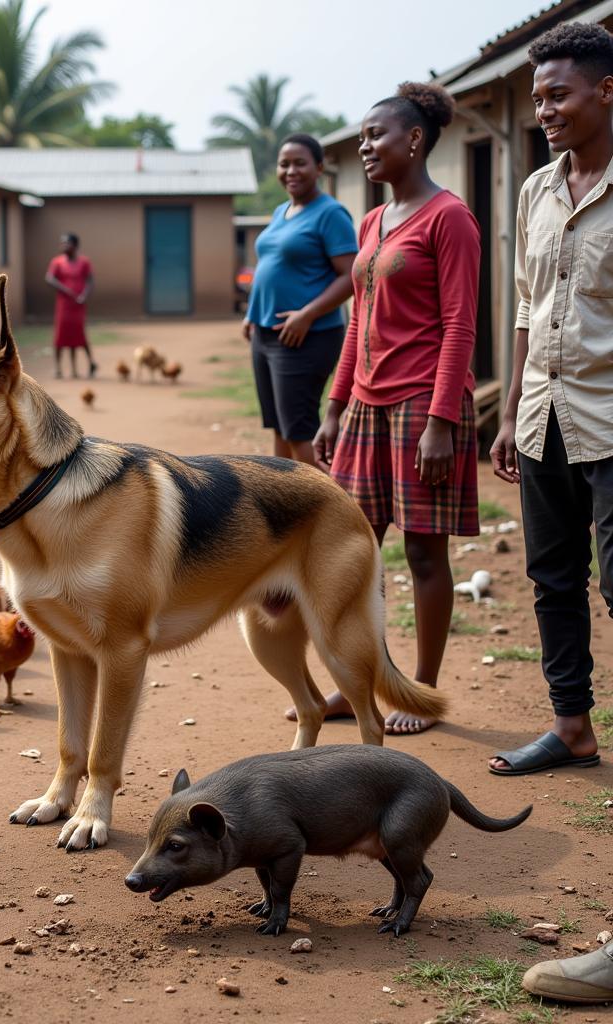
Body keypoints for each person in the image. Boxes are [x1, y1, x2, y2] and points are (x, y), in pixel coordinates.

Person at [297, 82, 481, 736]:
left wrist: (441, 422)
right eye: (363, 137)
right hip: (367, 408)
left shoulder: (449, 217)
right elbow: (357, 324)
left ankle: (420, 692)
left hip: (422, 405)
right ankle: (363, 681)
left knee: (425, 557)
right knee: (354, 551)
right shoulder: (372, 221)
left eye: (376, 135)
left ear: (414, 140)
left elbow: (462, 324)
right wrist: (335, 405)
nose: (366, 147)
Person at [488, 22, 613, 777]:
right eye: (538, 98)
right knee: (553, 576)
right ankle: (571, 726)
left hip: (611, 417)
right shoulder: (536, 188)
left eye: (558, 94)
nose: (545, 110)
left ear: (606, 91)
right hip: (542, 414)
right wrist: (507, 413)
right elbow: (528, 308)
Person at [242, 134, 357, 465]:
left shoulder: (331, 213)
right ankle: (284, 506)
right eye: (284, 163)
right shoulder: (282, 211)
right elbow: (271, 265)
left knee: (298, 430)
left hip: (306, 336)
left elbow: (351, 275)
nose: (290, 170)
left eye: (300, 163)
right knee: (279, 427)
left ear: (319, 167)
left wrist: (307, 314)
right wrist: (253, 313)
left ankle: (321, 509)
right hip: (266, 333)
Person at [46, 233, 97, 379]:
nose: (63, 246)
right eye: (62, 243)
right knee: (61, 335)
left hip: (78, 304)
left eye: (66, 243)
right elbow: (49, 278)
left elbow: (90, 281)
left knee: (78, 335)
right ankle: (58, 368)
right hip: (64, 304)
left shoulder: (84, 262)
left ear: (75, 245)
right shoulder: (57, 262)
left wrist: (84, 296)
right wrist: (64, 289)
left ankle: (79, 367)